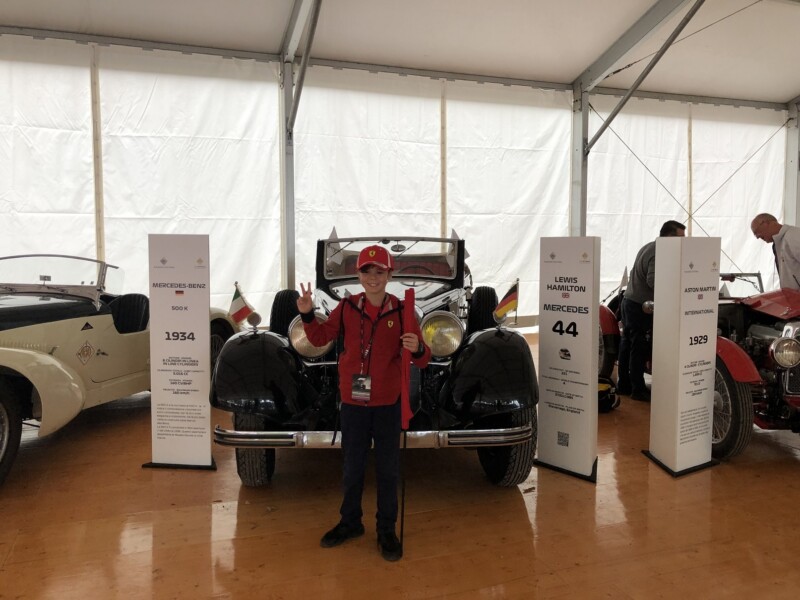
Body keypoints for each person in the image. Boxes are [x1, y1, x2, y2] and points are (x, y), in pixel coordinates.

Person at [296, 244, 431, 562]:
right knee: (352, 467)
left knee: (388, 470)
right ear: (358, 275)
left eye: (379, 271)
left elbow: (423, 359)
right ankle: (350, 522)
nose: (373, 277)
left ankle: (386, 529)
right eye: (367, 271)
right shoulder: (346, 307)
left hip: (387, 403)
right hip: (353, 402)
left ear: (389, 275)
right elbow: (319, 338)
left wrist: (417, 347)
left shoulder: (402, 310)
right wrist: (307, 313)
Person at [617, 220, 686, 401]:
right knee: (638, 347)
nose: (683, 241)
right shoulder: (660, 252)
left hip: (629, 301)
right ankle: (638, 389)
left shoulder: (649, 246)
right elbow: (653, 281)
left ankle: (624, 385)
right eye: (681, 237)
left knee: (627, 345)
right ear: (670, 237)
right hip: (640, 306)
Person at [751, 213, 800, 290]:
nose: (757, 237)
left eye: (756, 231)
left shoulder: (794, 235)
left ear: (766, 223)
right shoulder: (778, 243)